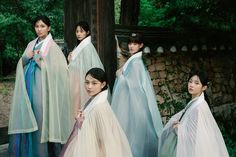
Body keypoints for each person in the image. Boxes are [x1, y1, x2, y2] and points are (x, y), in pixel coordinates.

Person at [8, 15, 72, 157]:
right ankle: (26, 152)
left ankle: (40, 153)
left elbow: (61, 71)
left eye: (42, 26)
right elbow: (22, 62)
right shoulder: (31, 44)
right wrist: (26, 57)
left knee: (39, 117)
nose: (39, 29)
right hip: (27, 86)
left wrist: (39, 62)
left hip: (42, 89)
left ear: (48, 28)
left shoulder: (53, 47)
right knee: (26, 113)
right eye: (37, 26)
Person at [60, 68, 133, 157]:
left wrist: (81, 122)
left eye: (94, 83)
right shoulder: (93, 100)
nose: (89, 86)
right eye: (87, 82)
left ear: (103, 84)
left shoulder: (100, 107)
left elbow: (104, 139)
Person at [111, 33, 163, 157]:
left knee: (132, 133)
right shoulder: (134, 60)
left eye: (135, 44)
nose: (131, 46)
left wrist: (121, 76)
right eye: (130, 43)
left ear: (141, 45)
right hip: (133, 103)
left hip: (134, 104)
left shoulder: (136, 63)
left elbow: (134, 86)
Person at [159, 69, 229, 157]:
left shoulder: (198, 108)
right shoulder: (195, 103)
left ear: (204, 87)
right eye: (190, 81)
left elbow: (195, 137)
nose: (191, 85)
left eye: (196, 83)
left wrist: (178, 129)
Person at [67, 21, 104, 116]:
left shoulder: (87, 47)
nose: (78, 34)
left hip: (81, 81)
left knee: (78, 105)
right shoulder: (79, 46)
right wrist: (70, 61)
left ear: (87, 32)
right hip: (75, 80)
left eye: (81, 31)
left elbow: (85, 67)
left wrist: (71, 62)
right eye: (77, 31)